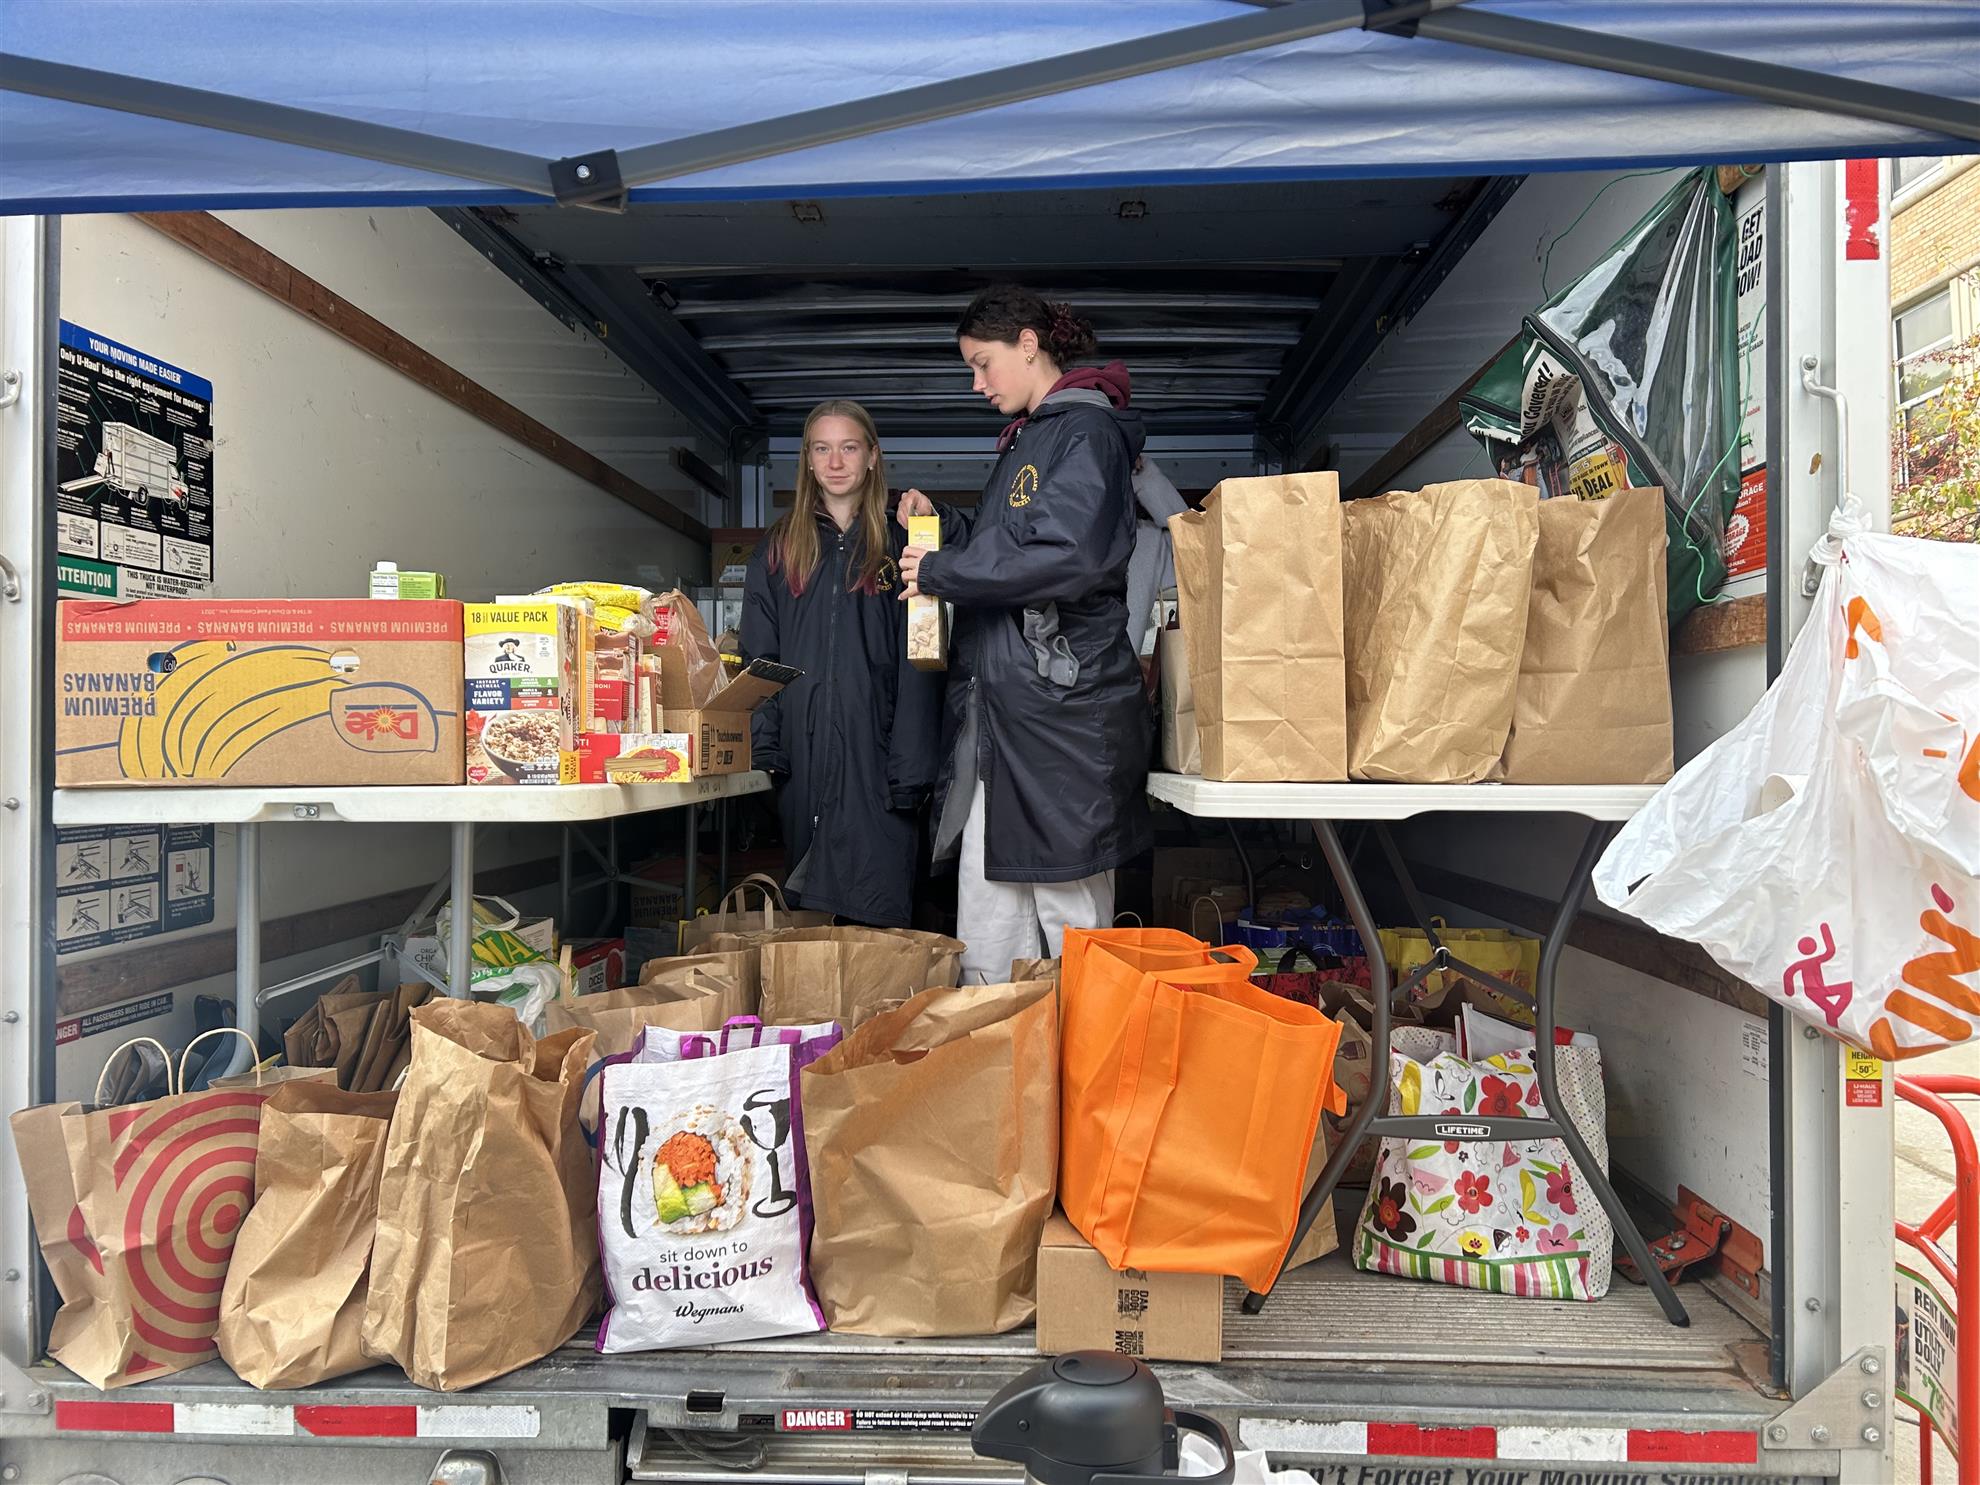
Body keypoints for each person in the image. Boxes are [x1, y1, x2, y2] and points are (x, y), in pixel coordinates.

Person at [897, 286, 1153, 982]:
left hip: (1062, 724)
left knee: (1072, 920)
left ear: (1029, 344)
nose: (977, 384)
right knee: (991, 912)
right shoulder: (1031, 438)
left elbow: (1066, 555)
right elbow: (1008, 544)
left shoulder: (1086, 433)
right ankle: (1001, 1044)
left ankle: (1083, 1049)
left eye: (983, 363)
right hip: (1010, 719)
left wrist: (942, 568)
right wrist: (942, 524)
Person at [742, 400, 943, 927]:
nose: (835, 462)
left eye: (849, 447)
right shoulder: (777, 549)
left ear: (873, 456)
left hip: (881, 760)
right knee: (809, 917)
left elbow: (925, 658)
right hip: (802, 758)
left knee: (880, 919)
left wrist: (912, 769)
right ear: (807, 461)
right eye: (822, 449)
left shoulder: (905, 545)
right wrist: (767, 752)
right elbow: (759, 659)